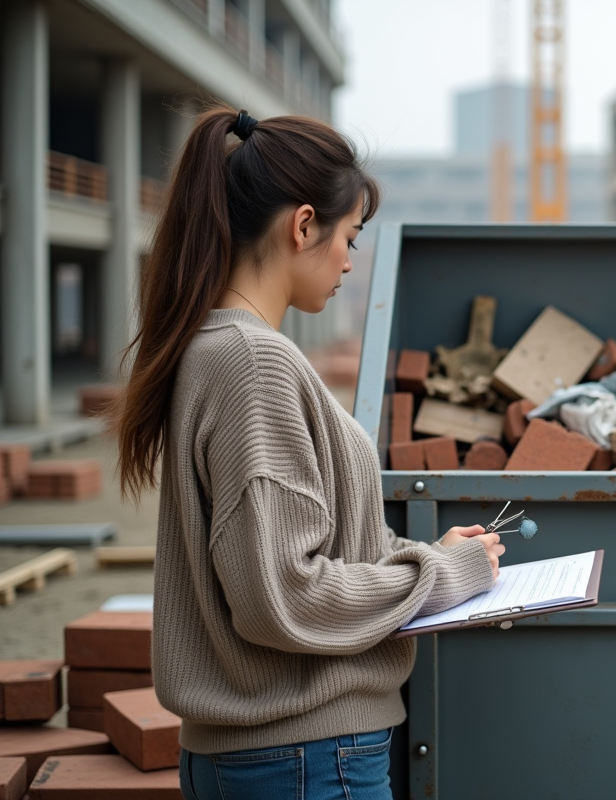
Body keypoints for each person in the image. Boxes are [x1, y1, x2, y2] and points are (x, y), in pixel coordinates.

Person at [114, 107, 504, 800]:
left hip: (275, 758)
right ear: (302, 226)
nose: (350, 262)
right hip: (306, 758)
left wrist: (425, 556)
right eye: (348, 237)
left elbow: (291, 555)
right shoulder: (253, 362)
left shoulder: (215, 348)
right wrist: (441, 577)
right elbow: (284, 595)